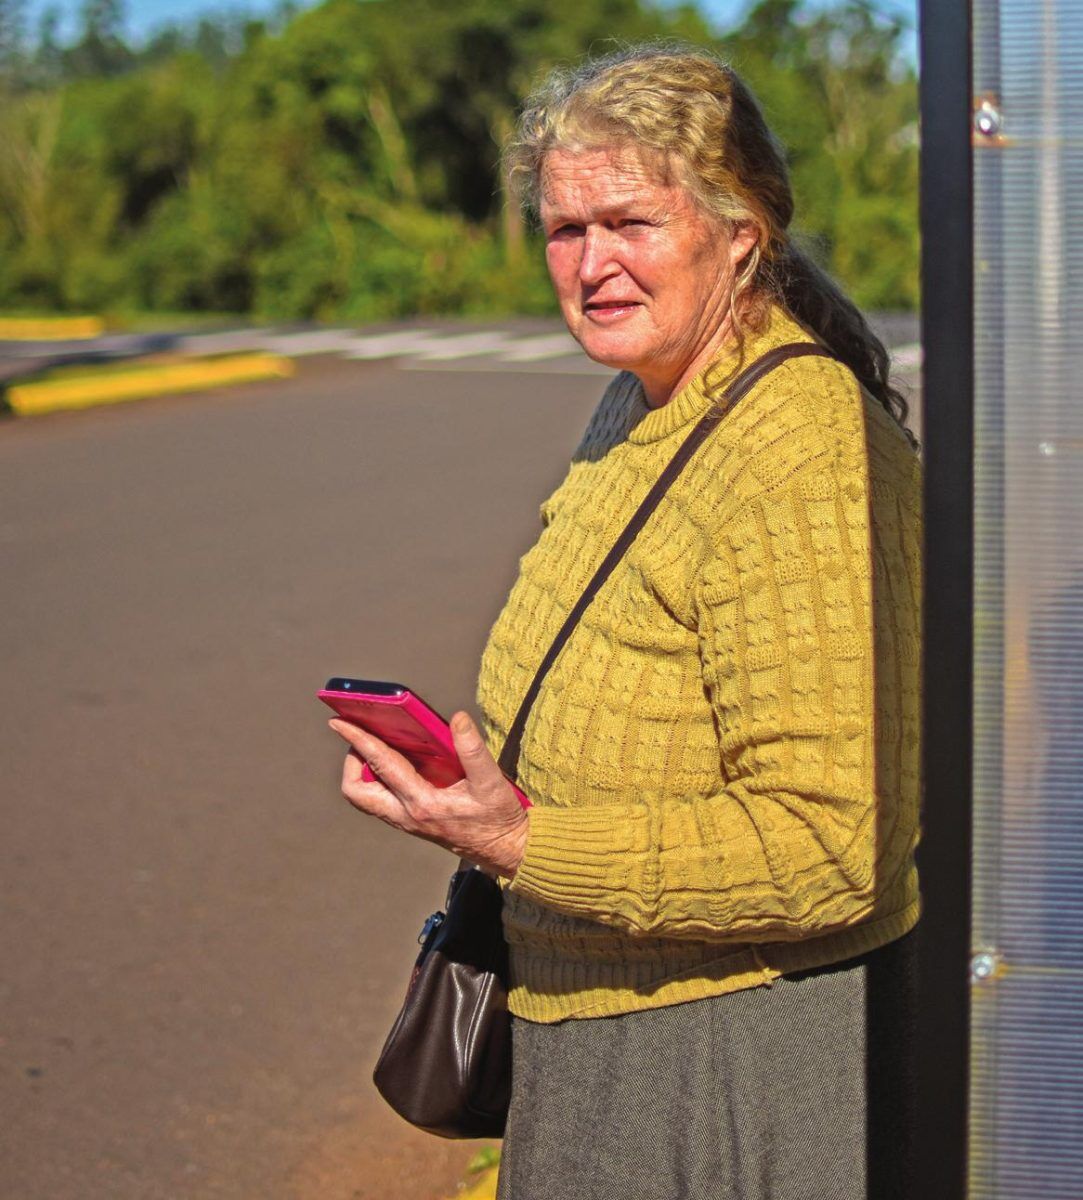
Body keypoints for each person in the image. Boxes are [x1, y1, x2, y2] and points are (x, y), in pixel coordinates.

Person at [329, 46, 922, 1200]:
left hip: (735, 1062)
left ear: (739, 230)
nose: (592, 264)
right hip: (595, 1038)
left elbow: (833, 846)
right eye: (563, 229)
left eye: (631, 223)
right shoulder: (642, 396)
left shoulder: (801, 449)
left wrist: (520, 843)